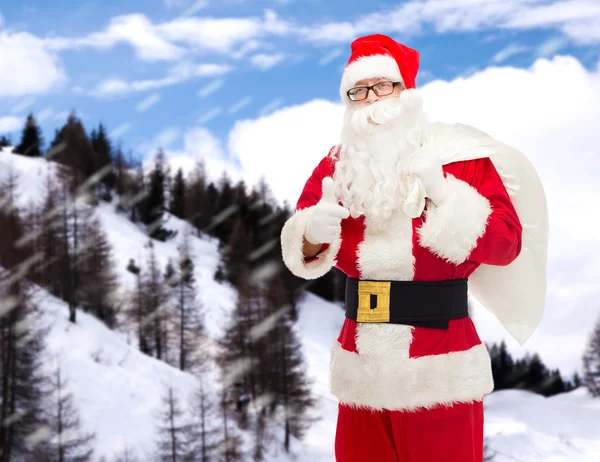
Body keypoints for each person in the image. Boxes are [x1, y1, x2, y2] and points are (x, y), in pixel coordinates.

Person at [280, 34, 548, 461]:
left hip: (440, 370)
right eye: (358, 90)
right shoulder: (338, 166)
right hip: (361, 370)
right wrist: (313, 231)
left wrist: (446, 196)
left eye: (382, 86)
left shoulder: (460, 157)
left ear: (406, 90)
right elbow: (303, 248)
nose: (371, 100)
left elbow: (506, 244)